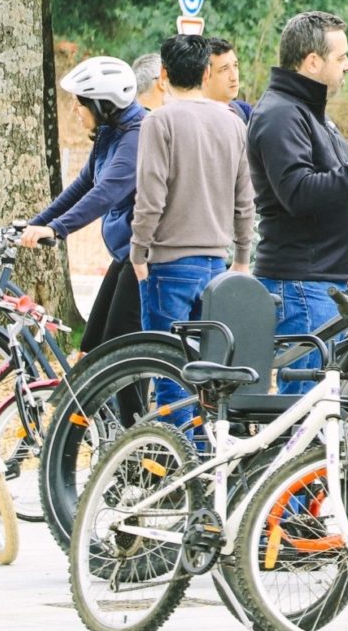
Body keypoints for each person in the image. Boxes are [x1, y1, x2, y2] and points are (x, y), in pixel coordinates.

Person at [246, 12, 348, 393]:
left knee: (319, 410)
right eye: (341, 57)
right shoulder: (282, 113)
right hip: (300, 282)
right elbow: (299, 192)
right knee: (306, 410)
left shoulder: (309, 112)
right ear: (313, 61)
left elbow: (334, 193)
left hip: (318, 282)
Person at [131, 34, 256, 419]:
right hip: (216, 265)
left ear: (164, 75)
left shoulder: (159, 122)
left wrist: (138, 251)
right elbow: (244, 197)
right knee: (209, 373)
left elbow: (151, 196)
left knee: (168, 369)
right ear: (206, 72)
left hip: (168, 263)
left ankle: (180, 463)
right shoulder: (232, 122)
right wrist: (242, 255)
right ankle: (205, 455)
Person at [21, 56, 146, 353]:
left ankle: (132, 402)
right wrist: (39, 223)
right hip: (125, 252)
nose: (74, 109)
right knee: (91, 345)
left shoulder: (138, 135)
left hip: (146, 254)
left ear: (102, 104)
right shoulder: (110, 132)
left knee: (116, 349)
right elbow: (83, 185)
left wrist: (57, 229)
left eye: (79, 102)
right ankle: (98, 399)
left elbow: (105, 193)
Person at [201, 35, 253, 122]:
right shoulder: (194, 119)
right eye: (224, 69)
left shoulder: (244, 112)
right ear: (205, 75)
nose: (234, 77)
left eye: (235, 66)